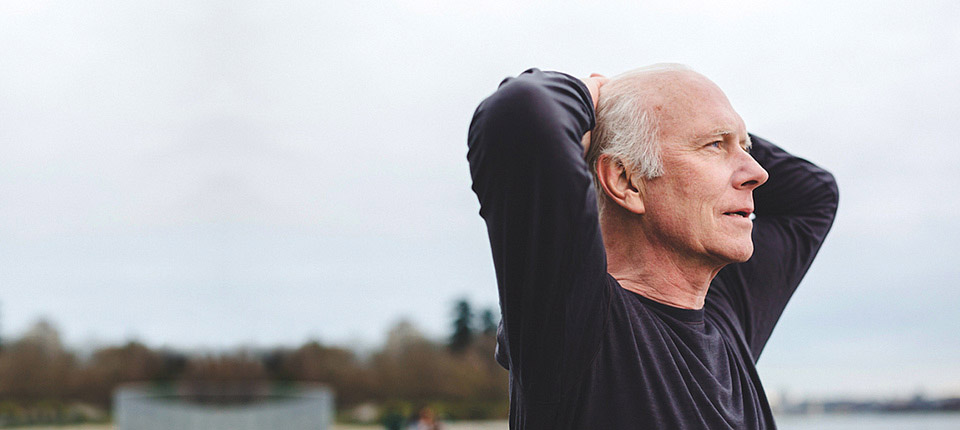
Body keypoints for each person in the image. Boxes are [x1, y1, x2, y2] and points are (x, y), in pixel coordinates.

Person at [466, 65, 838, 429]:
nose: (758, 172)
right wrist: (598, 96)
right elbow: (520, 113)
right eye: (714, 145)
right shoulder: (577, 322)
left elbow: (813, 196)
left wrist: (676, 113)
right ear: (626, 181)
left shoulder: (725, 316)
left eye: (746, 147)